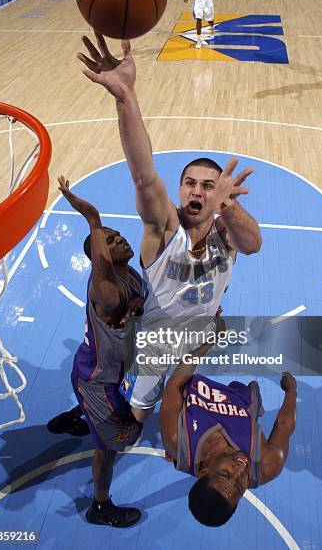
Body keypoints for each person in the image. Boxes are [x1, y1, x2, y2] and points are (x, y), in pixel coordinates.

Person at [77, 33, 262, 421]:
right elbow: (144, 176)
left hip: (197, 336)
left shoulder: (225, 231)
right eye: (190, 183)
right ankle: (95, 417)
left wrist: (227, 206)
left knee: (177, 394)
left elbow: (253, 244)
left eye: (208, 186)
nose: (197, 190)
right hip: (153, 347)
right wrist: (125, 97)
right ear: (179, 189)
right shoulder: (163, 229)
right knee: (134, 419)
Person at [47, 176, 144, 528]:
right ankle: (100, 507)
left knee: (113, 412)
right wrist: (92, 218)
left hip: (98, 370)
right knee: (115, 443)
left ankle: (73, 418)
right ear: (101, 257)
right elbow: (109, 284)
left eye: (118, 236)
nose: (120, 241)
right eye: (112, 242)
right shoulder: (106, 290)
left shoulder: (128, 273)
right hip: (97, 380)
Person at [160, 353, 297, 527]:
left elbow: (173, 386)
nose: (240, 471)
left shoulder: (176, 438)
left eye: (226, 474)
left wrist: (200, 348)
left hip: (201, 386)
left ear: (203, 472)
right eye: (240, 487)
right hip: (242, 398)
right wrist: (291, 391)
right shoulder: (266, 465)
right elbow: (284, 425)